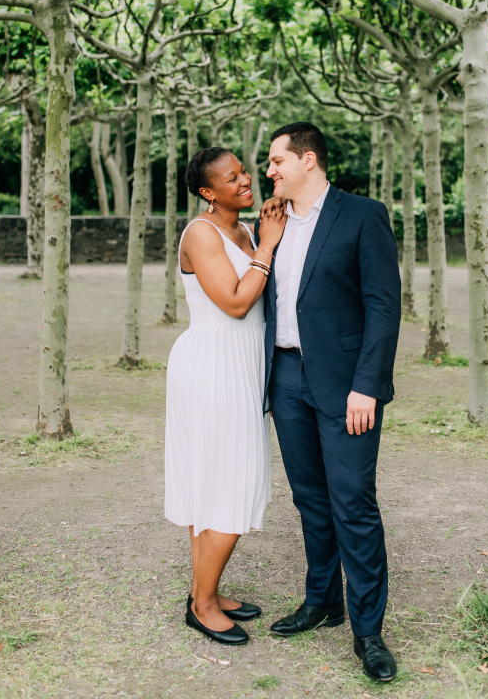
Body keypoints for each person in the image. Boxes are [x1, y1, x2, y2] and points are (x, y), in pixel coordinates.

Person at [258, 122, 401, 683]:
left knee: (353, 503)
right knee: (310, 500)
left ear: (308, 160)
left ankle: (368, 632)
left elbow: (383, 306)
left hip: (347, 385)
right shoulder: (271, 223)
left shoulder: (363, 215)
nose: (268, 170)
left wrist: (367, 385)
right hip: (286, 376)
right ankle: (323, 601)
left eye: (276, 161)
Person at [164, 147, 286, 647]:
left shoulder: (246, 230)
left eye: (244, 171)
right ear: (207, 192)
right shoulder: (201, 233)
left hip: (241, 364)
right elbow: (235, 303)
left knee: (213, 483)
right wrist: (269, 245)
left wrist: (264, 232)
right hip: (214, 367)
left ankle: (204, 590)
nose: (245, 180)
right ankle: (203, 606)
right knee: (231, 483)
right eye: (231, 178)